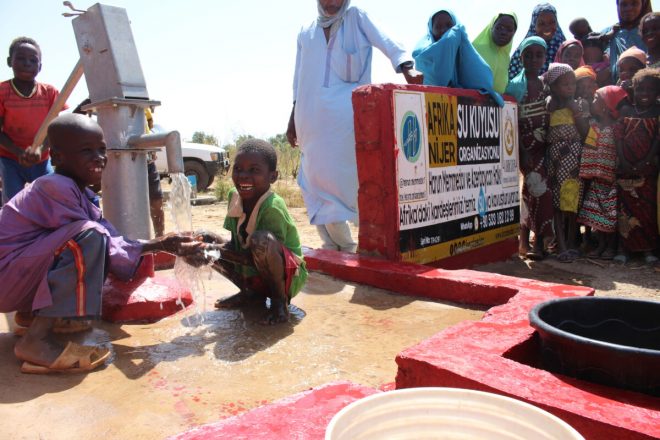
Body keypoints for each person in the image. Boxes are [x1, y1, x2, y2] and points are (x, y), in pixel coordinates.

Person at [0, 114, 199, 374]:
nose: (99, 157)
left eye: (102, 149)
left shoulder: (79, 192)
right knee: (89, 240)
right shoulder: (55, 186)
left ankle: (30, 317)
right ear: (57, 157)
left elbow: (113, 240)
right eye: (86, 151)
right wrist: (158, 244)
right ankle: (36, 341)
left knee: (94, 239)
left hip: (13, 277)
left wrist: (163, 244)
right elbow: (98, 239)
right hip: (7, 278)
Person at [286, 0, 422, 253]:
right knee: (312, 182)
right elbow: (298, 77)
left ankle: (350, 247)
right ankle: (330, 246)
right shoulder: (306, 31)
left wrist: (407, 67)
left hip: (343, 120)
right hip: (309, 118)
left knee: (341, 182)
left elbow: (386, 39)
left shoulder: (356, 18)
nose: (330, 3)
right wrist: (292, 117)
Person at [188, 139, 308, 325]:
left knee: (260, 241)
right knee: (203, 238)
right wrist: (204, 247)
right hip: (256, 270)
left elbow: (260, 256)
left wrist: (212, 249)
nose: (243, 176)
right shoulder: (234, 197)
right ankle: (250, 293)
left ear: (273, 177)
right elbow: (235, 245)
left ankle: (279, 303)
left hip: (287, 278)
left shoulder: (272, 206)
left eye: (254, 170)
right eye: (238, 169)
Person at [0, 37, 66, 204]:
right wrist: (18, 152)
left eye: (33, 60)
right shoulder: (2, 91)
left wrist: (41, 149)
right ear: (9, 61)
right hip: (10, 157)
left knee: (51, 196)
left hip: (41, 158)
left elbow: (55, 128)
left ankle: (48, 229)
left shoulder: (50, 93)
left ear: (40, 66)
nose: (27, 63)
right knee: (13, 200)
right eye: (20, 58)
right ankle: (15, 229)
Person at [505, 37, 554, 260]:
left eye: (538, 55)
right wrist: (521, 151)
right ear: (521, 57)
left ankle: (525, 242)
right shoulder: (515, 85)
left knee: (530, 193)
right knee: (538, 190)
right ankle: (542, 243)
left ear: (545, 57)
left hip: (546, 147)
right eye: (528, 55)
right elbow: (510, 120)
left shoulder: (547, 84)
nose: (533, 59)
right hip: (527, 148)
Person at [545, 63, 591, 262]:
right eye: (564, 84)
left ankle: (572, 242)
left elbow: (586, 133)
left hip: (574, 156)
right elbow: (545, 129)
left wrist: (576, 112)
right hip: (555, 157)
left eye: (572, 83)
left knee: (572, 200)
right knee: (557, 202)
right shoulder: (549, 104)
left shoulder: (580, 104)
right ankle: (561, 244)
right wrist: (549, 110)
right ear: (554, 87)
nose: (570, 87)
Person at [613, 67, 659, 264]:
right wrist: (623, 160)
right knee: (624, 209)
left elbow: (658, 139)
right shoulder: (626, 110)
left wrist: (646, 161)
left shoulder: (657, 112)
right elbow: (619, 138)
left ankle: (647, 249)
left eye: (650, 90)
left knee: (647, 210)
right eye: (640, 89)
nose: (645, 94)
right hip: (625, 168)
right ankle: (624, 249)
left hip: (647, 170)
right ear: (633, 89)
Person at [578, 86, 629, 259]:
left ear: (606, 106)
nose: (592, 102)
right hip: (595, 178)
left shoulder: (616, 128)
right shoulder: (593, 125)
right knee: (596, 214)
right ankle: (601, 245)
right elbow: (589, 147)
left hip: (611, 179)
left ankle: (611, 247)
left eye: (595, 99)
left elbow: (620, 152)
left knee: (610, 214)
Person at [413, 9, 503, 105]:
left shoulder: (464, 53)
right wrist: (452, 36)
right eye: (438, 27)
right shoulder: (422, 54)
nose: (444, 30)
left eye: (449, 26)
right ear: (431, 29)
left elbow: (483, 81)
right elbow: (438, 80)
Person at [509, 3, 567, 79]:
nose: (547, 27)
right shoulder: (523, 51)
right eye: (541, 23)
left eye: (552, 22)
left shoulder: (566, 50)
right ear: (534, 25)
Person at [602, 0, 654, 82]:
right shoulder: (607, 34)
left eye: (634, 3)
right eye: (624, 4)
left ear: (643, 5)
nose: (629, 8)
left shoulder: (653, 32)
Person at [472, 11, 518, 94]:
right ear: (491, 27)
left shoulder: (506, 58)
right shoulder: (474, 51)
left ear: (514, 33)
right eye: (499, 27)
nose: (503, 32)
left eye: (509, 29)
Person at [145, 108, 165, 237]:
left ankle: (160, 238)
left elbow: (150, 125)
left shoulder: (144, 108)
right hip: (125, 163)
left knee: (157, 201)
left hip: (148, 163)